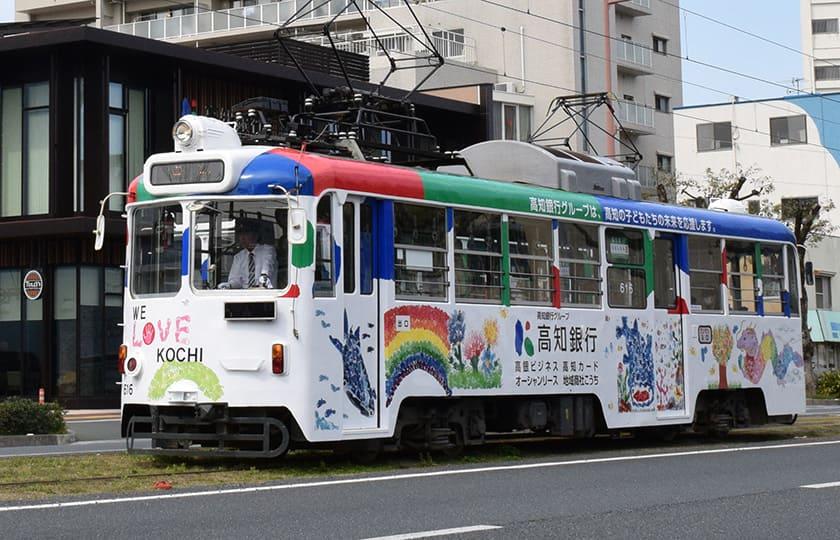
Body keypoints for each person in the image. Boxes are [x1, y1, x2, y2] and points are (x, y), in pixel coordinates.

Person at [219, 221, 278, 289]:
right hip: (246, 295)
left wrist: (263, 277)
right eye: (240, 234)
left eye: (246, 234)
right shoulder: (238, 256)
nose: (242, 238)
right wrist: (229, 285)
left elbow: (267, 266)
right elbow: (236, 280)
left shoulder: (267, 250)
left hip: (266, 294)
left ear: (256, 235)